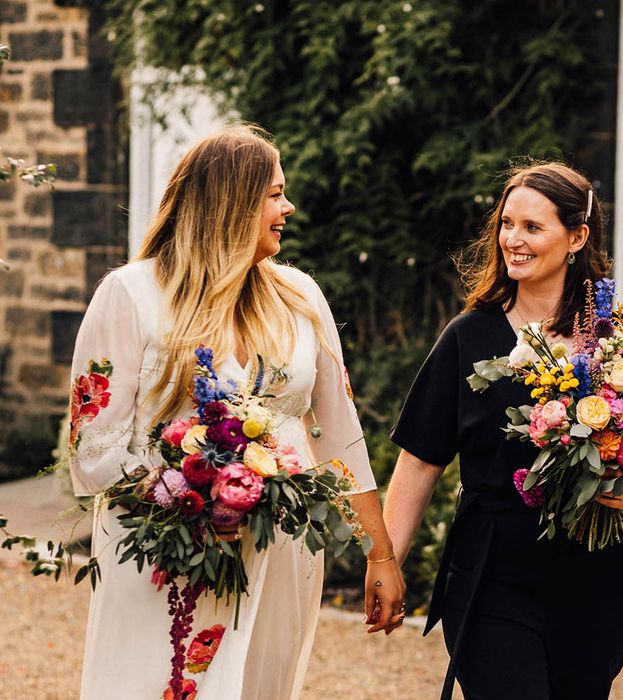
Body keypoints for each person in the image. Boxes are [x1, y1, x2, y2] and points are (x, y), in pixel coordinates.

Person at [68, 125, 405, 699]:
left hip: (281, 546)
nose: (287, 207)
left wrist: (380, 552)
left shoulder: (300, 297)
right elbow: (92, 446)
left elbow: (341, 436)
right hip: (165, 551)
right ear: (230, 202)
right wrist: (190, 497)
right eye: (274, 194)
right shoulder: (131, 294)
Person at [383, 162, 623, 700]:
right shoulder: (468, 338)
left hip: (595, 579)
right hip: (492, 575)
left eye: (532, 228)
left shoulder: (622, 344)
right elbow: (420, 461)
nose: (513, 239)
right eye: (507, 224)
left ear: (576, 237)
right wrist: (385, 563)